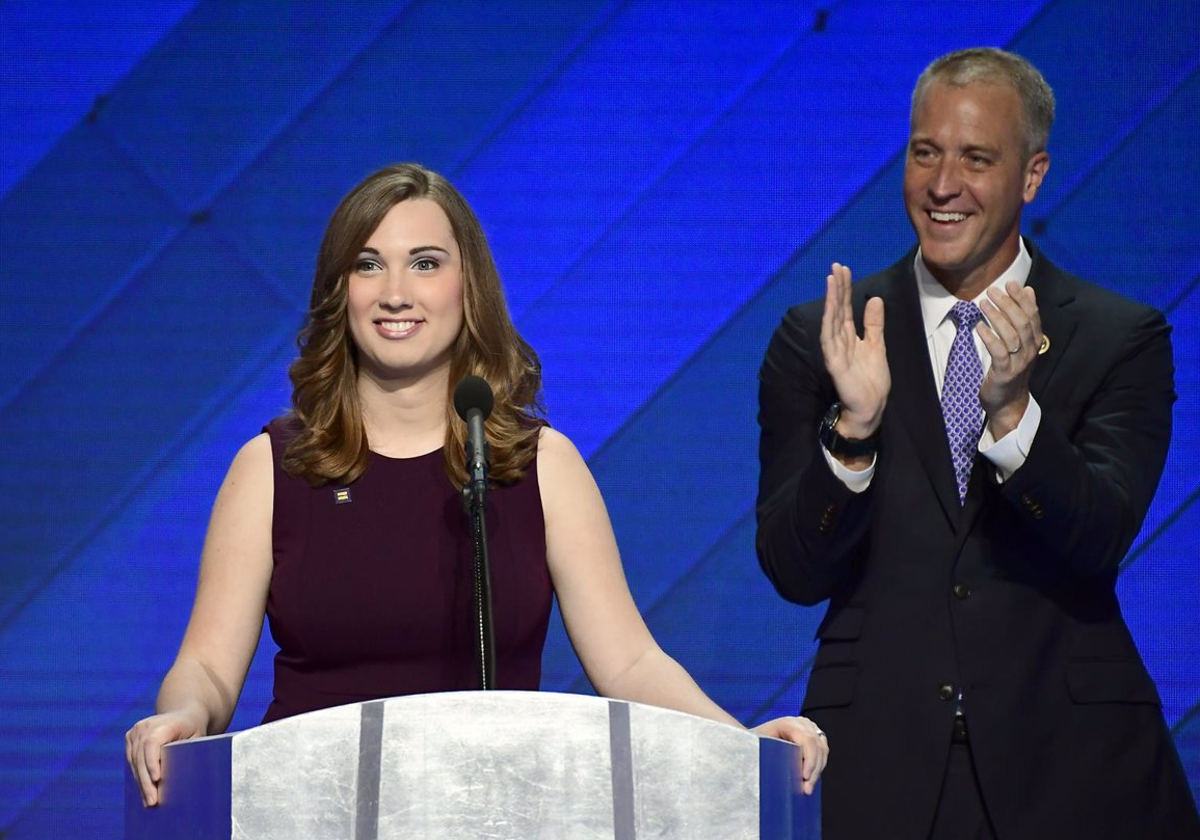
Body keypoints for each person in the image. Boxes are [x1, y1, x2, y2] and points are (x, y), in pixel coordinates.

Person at [126, 162, 828, 807]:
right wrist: (183, 714)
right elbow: (208, 667)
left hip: (496, 809)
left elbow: (631, 661)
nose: (395, 292)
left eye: (424, 264)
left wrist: (741, 744)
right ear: (340, 292)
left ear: (469, 286)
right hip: (311, 810)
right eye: (368, 265)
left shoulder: (540, 464)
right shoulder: (274, 467)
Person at [755, 47, 1199, 840]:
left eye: (976, 158)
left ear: (1032, 176)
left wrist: (1013, 416)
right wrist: (852, 434)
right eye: (925, 152)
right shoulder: (825, 336)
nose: (942, 184)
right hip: (881, 764)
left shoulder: (1119, 337)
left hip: (1073, 766)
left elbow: (1098, 537)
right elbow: (793, 568)